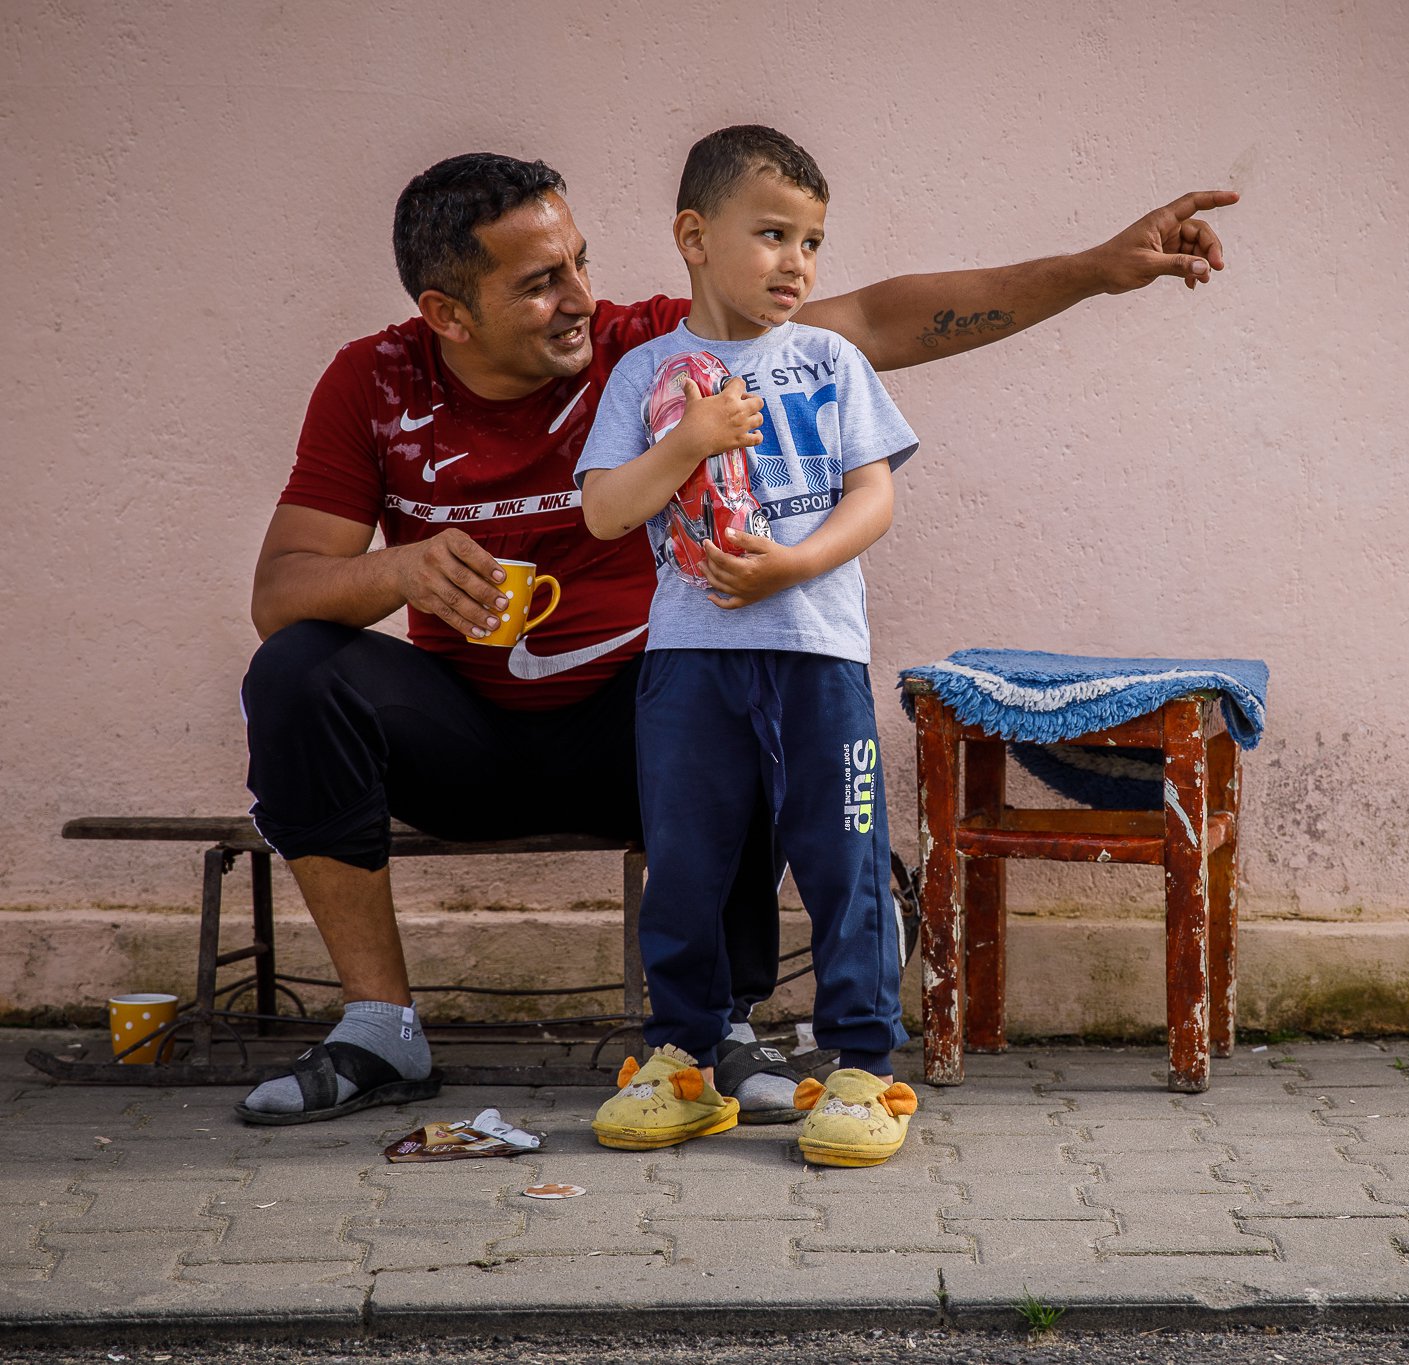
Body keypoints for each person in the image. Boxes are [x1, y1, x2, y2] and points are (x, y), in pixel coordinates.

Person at [235, 148, 1235, 1127]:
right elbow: (281, 592)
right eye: (542, 284)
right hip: (462, 743)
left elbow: (881, 320)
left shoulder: (654, 352)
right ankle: (379, 1031)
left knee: (743, 680)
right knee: (296, 671)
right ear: (448, 314)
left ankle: (724, 1030)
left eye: (579, 261)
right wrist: (396, 572)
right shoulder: (374, 385)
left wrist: (1095, 272)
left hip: (634, 728)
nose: (583, 295)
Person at [577, 125, 920, 1165]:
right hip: (687, 668)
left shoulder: (827, 359)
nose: (796, 263)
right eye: (771, 234)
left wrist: (792, 566)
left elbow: (875, 495)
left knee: (842, 860)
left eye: (811, 242)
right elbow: (602, 513)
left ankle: (860, 1070)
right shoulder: (646, 373)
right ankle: (681, 1064)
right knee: (686, 864)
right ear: (693, 235)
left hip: (817, 660)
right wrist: (689, 438)